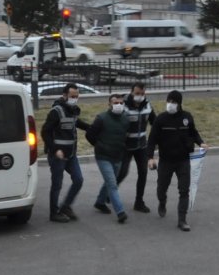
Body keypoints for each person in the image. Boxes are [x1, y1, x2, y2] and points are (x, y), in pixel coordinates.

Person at [147, 90, 209, 232]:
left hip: (183, 161)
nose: (171, 104)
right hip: (166, 161)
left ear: (179, 104)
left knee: (184, 190)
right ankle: (162, 202)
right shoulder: (160, 119)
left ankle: (182, 220)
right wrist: (150, 158)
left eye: (174, 102)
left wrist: (201, 143)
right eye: (169, 101)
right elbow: (151, 140)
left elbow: (193, 132)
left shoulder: (186, 117)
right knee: (161, 188)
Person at [41, 83, 90, 223]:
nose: (75, 99)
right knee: (57, 184)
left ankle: (66, 206)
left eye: (77, 96)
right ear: (64, 95)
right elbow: (45, 131)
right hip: (58, 156)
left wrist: (90, 127)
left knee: (78, 180)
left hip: (71, 154)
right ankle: (54, 213)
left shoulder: (73, 109)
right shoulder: (56, 111)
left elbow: (76, 122)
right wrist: (55, 149)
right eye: (72, 96)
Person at [87, 94, 130, 223]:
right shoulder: (101, 118)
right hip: (103, 156)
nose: (119, 105)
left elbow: (126, 136)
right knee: (112, 184)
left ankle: (100, 202)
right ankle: (120, 212)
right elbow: (90, 134)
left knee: (109, 182)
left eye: (121, 103)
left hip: (118, 156)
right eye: (115, 103)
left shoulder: (125, 119)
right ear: (109, 104)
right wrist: (99, 145)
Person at [117, 82, 156, 213]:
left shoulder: (147, 105)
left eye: (142, 94)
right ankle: (109, 192)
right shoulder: (123, 105)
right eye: (137, 93)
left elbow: (154, 123)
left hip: (141, 145)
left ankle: (139, 202)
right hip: (125, 145)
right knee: (122, 172)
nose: (140, 96)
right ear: (131, 92)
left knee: (143, 173)